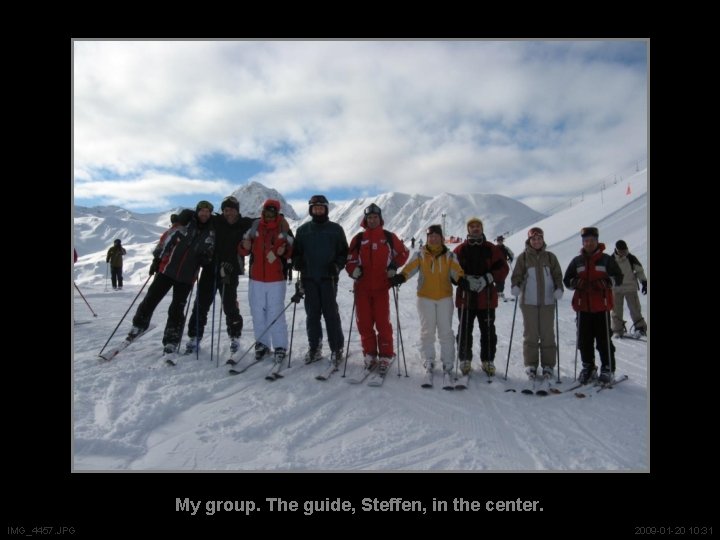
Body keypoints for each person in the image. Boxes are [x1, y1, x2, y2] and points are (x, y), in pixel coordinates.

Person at [127, 202, 215, 356]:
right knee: (151, 298)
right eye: (202, 211)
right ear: (197, 212)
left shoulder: (210, 233)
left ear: (210, 214)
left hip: (187, 278)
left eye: (208, 212)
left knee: (177, 309)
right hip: (167, 270)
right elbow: (165, 240)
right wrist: (156, 259)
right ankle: (139, 325)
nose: (204, 214)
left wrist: (206, 258)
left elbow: (210, 251)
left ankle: (171, 340)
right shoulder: (184, 225)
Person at [389, 224, 465, 379]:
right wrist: (401, 277)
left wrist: (461, 279)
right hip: (425, 298)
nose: (433, 238)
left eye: (436, 236)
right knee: (427, 331)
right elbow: (410, 268)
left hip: (444, 298)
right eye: (431, 236)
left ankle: (448, 362)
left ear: (442, 238)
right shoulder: (420, 254)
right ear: (427, 238)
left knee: (446, 331)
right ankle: (428, 360)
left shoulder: (449, 256)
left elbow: (457, 270)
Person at [185, 196, 254, 355]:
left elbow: (262, 222)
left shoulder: (245, 224)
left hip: (231, 272)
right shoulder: (215, 221)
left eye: (232, 209)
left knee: (230, 306)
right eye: (225, 210)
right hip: (210, 268)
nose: (228, 213)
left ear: (237, 210)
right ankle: (194, 337)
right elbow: (195, 217)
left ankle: (235, 336)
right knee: (201, 304)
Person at [345, 203, 409, 374]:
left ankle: (386, 355)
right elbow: (350, 260)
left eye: (375, 217)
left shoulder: (388, 237)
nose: (372, 220)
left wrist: (394, 266)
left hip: (382, 287)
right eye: (369, 218)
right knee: (364, 323)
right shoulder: (358, 239)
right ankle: (370, 353)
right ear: (365, 220)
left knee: (382, 323)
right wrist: (353, 270)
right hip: (362, 289)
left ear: (380, 219)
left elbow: (403, 253)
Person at [291, 195, 349, 366]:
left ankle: (336, 348)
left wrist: (337, 266)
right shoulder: (303, 231)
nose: (318, 210)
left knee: (331, 314)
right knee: (312, 315)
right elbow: (295, 253)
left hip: (328, 279)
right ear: (310, 210)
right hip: (309, 278)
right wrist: (297, 262)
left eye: (321, 208)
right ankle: (315, 347)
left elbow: (343, 253)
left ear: (326, 209)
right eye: (314, 208)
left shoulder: (336, 229)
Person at [563, 226, 623, 384]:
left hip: (601, 307)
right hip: (582, 307)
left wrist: (604, 283)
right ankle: (588, 367)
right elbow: (567, 280)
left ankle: (607, 368)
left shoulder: (606, 259)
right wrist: (578, 282)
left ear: (597, 241)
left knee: (603, 340)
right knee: (584, 340)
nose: (589, 243)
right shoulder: (577, 261)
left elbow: (618, 277)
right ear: (583, 242)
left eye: (592, 240)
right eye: (586, 241)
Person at [451, 218, 509, 377]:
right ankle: (464, 359)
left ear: (482, 228)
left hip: (487, 298)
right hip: (466, 297)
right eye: (472, 227)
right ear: (468, 230)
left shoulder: (491, 249)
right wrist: (463, 281)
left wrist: (489, 278)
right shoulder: (460, 250)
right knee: (464, 330)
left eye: (478, 226)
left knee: (488, 330)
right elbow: (451, 272)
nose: (475, 229)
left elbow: (503, 267)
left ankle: (488, 360)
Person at [239, 199, 294, 363]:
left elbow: (293, 250)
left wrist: (285, 251)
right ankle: (262, 344)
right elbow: (242, 248)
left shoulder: (284, 228)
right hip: (256, 279)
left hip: (276, 279)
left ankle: (280, 346)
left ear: (277, 212)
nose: (269, 215)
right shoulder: (254, 227)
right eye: (266, 211)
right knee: (257, 312)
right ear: (262, 211)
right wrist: (245, 246)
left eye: (272, 212)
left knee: (275, 313)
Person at [510, 227, 564, 381]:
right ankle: (531, 364)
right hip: (528, 302)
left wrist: (559, 288)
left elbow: (558, 275)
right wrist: (516, 286)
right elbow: (517, 276)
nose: (537, 241)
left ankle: (548, 365)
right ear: (529, 241)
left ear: (543, 240)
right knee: (531, 334)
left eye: (539, 238)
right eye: (533, 239)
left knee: (547, 334)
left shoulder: (550, 257)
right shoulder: (524, 258)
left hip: (547, 301)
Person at [611, 240, 648, 338]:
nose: (624, 252)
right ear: (617, 250)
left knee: (635, 309)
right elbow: (607, 274)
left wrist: (644, 282)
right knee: (616, 311)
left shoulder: (631, 258)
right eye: (621, 251)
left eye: (625, 250)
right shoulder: (611, 260)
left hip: (630, 287)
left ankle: (640, 328)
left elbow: (639, 270)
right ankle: (617, 330)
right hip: (616, 289)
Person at [494, 235, 514, 301]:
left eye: (501, 240)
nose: (500, 241)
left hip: (504, 266)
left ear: (502, 241)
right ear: (497, 241)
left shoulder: (505, 248)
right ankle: (497, 293)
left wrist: (510, 259)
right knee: (497, 280)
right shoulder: (494, 248)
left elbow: (511, 254)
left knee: (502, 280)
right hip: (495, 266)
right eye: (498, 240)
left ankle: (499, 293)